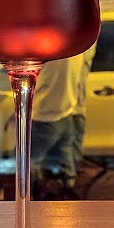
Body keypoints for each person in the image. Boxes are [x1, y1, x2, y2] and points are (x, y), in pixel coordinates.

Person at [30, 54, 84, 189]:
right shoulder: (74, 50)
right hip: (67, 112)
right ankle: (68, 193)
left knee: (28, 162)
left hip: (45, 115)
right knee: (67, 167)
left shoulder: (50, 49)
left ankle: (30, 195)